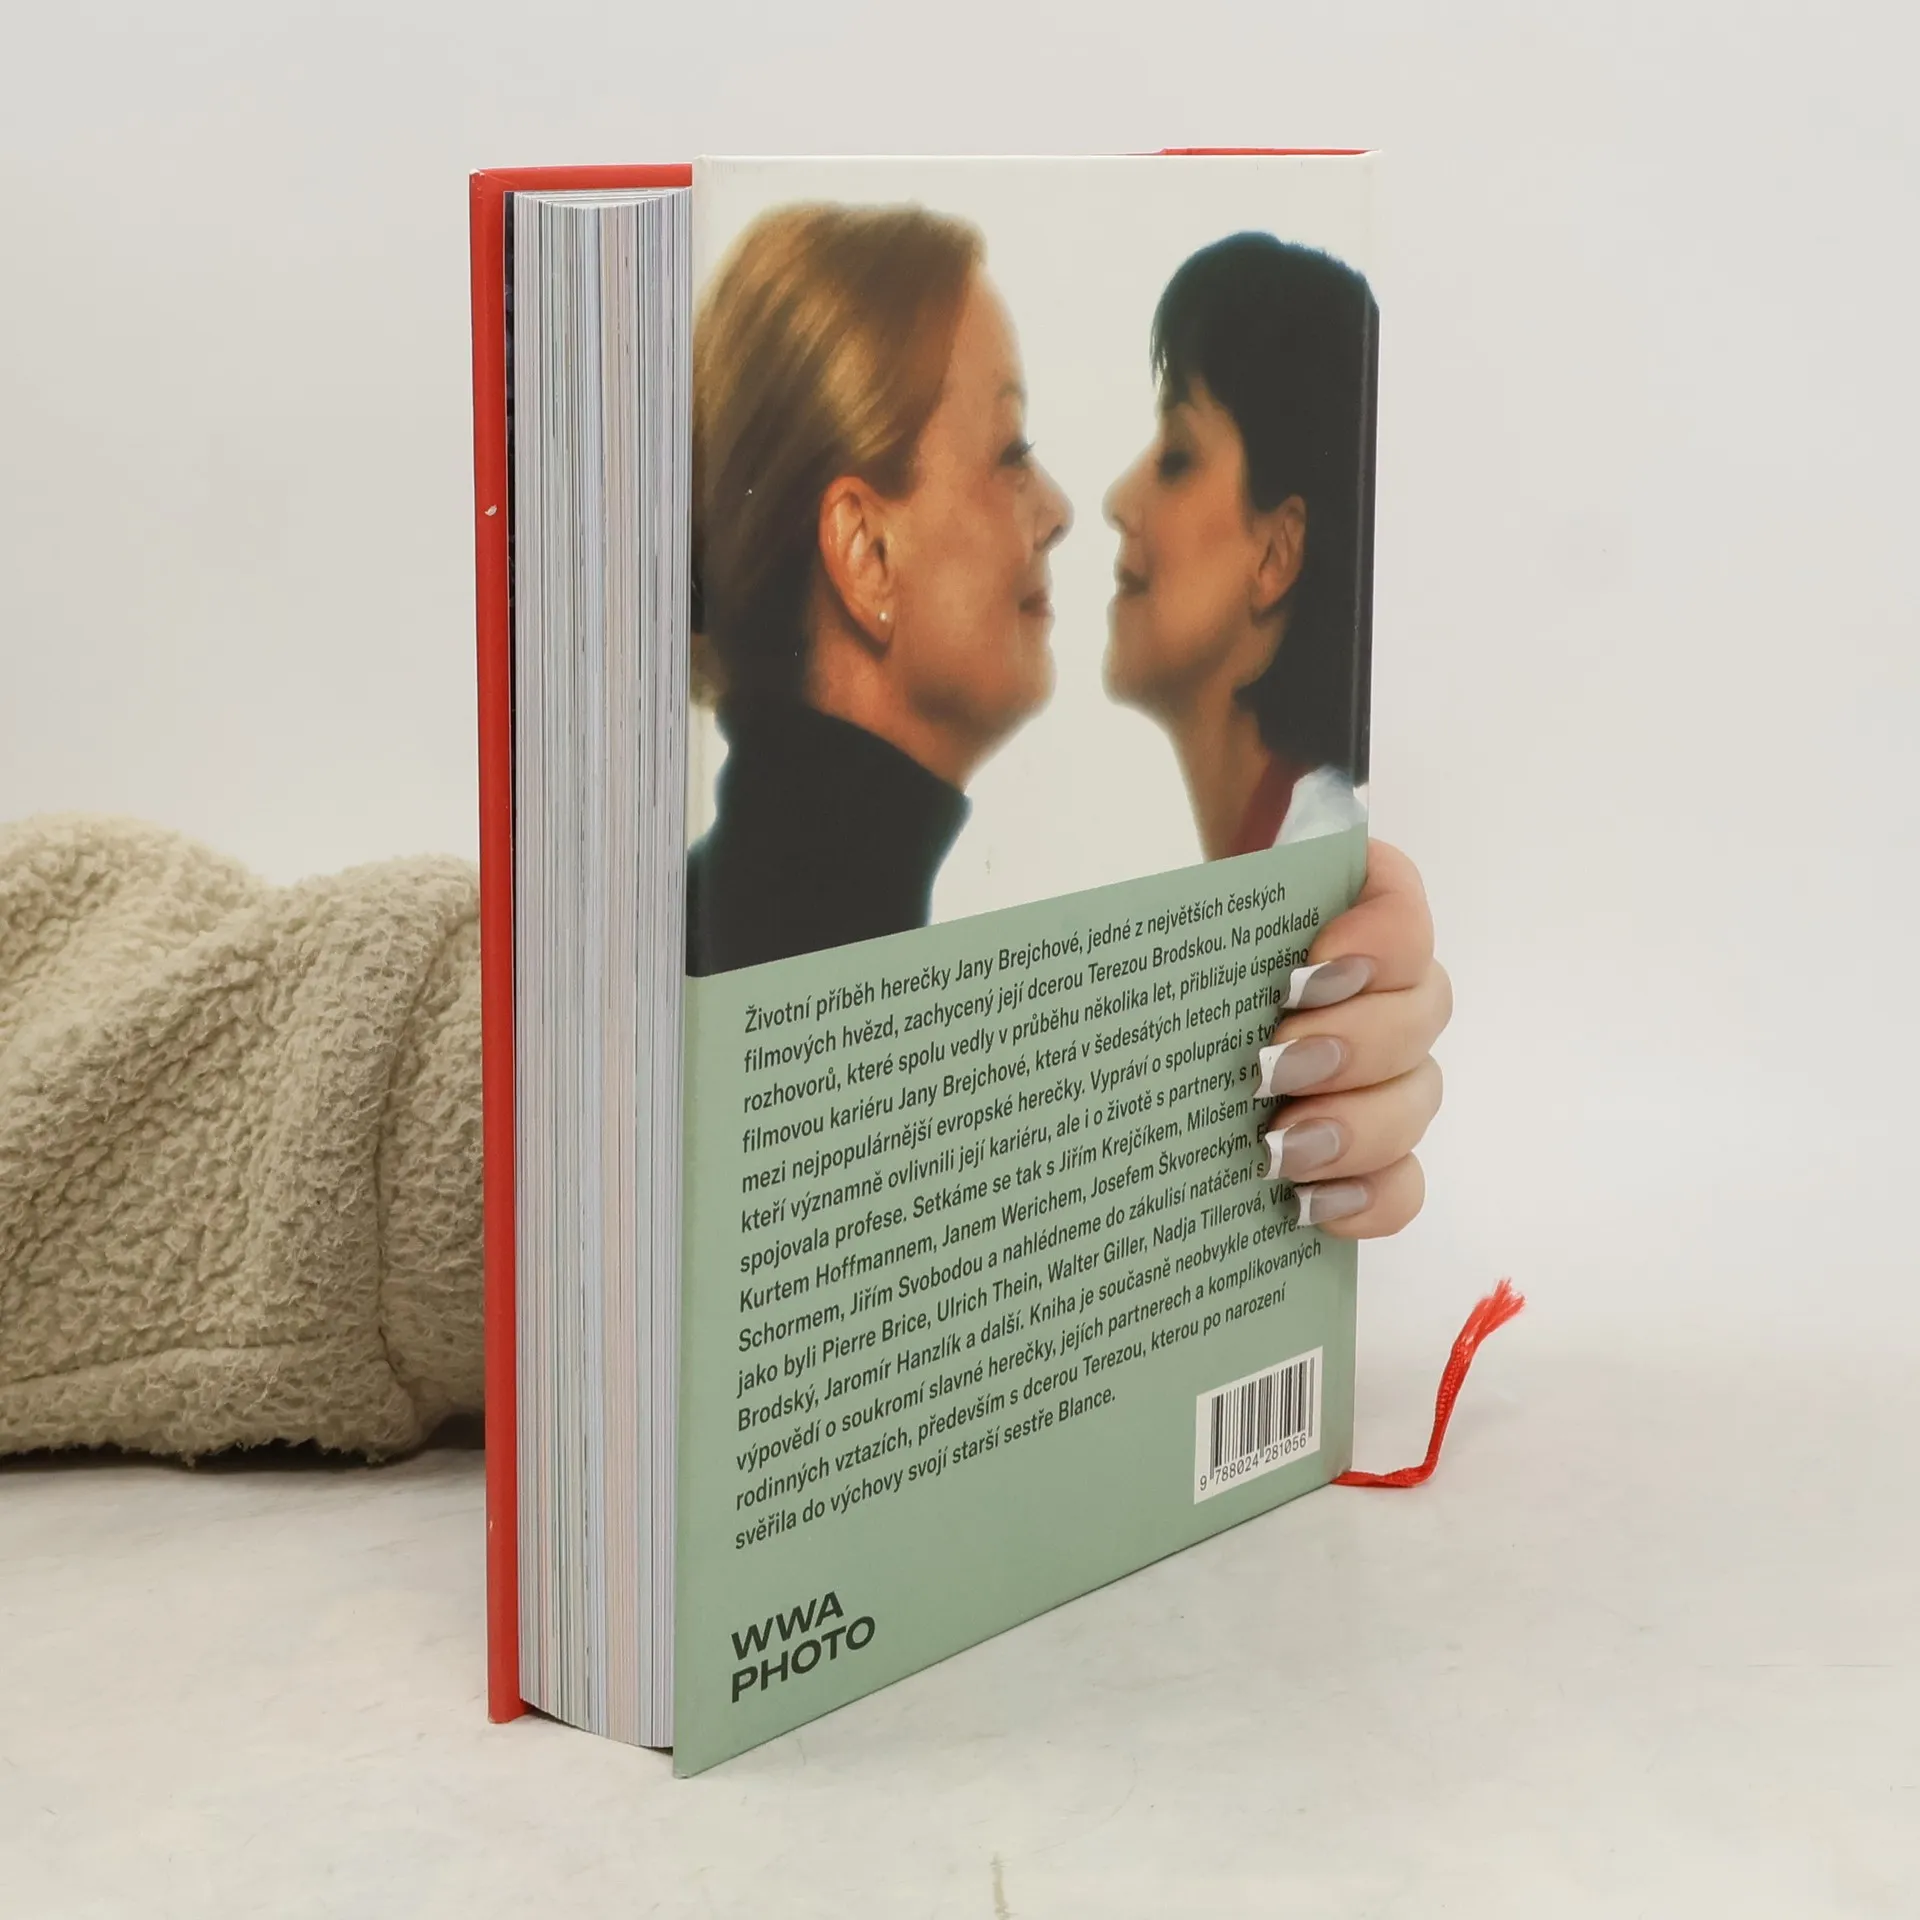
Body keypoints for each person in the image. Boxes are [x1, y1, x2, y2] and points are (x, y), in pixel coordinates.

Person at [686, 203, 1071, 974]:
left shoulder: (735, 923)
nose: (1057, 511)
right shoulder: (800, 966)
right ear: (867, 553)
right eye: (1010, 451)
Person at [1104, 233, 1375, 857]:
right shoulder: (1281, 860)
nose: (1119, 500)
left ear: (1277, 555)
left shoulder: (1322, 871)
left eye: (1176, 457)